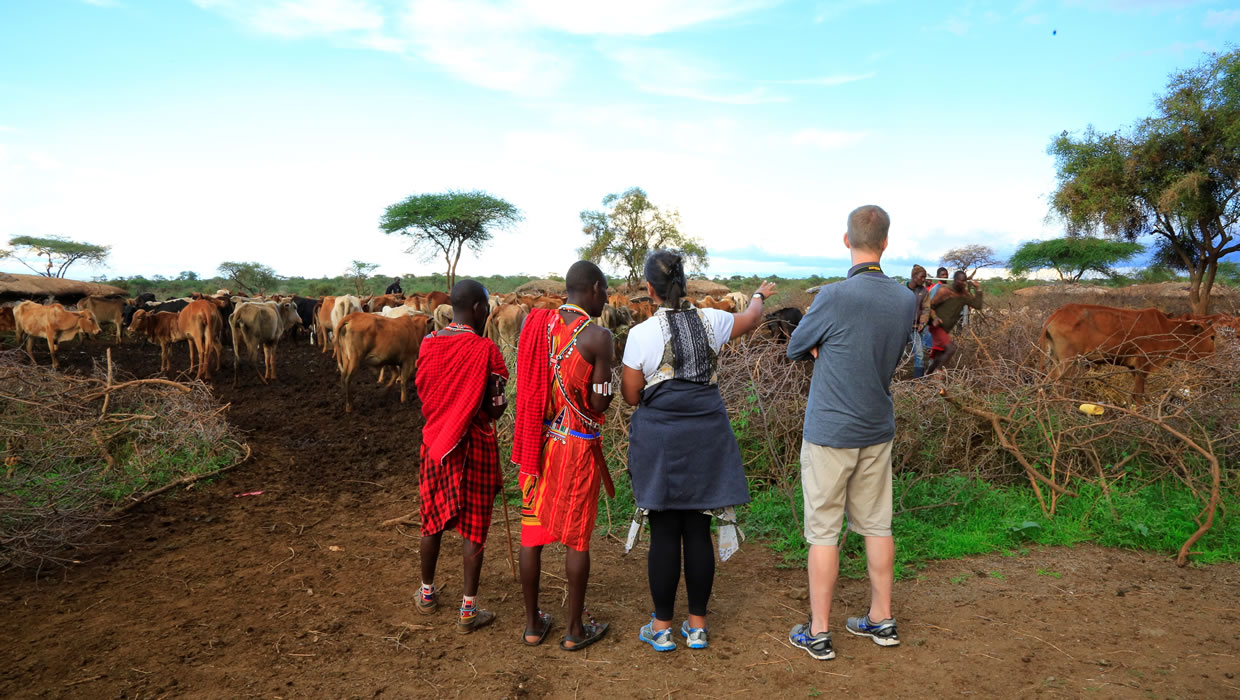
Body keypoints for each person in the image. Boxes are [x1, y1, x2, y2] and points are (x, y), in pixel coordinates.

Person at [620, 250, 776, 652]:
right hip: (707, 437)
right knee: (699, 530)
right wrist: (758, 295)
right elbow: (753, 317)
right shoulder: (715, 320)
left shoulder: (641, 335)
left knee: (665, 533)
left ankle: (661, 627)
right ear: (685, 284)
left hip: (662, 443)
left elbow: (632, 395)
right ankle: (698, 626)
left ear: (650, 289)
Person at [785, 205, 917, 661]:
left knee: (824, 530)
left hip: (829, 432)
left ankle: (819, 632)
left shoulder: (833, 296)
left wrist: (823, 344)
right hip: (876, 427)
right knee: (877, 525)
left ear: (847, 241)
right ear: (885, 242)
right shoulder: (905, 299)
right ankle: (882, 619)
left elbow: (794, 346)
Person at [512, 260, 615, 651]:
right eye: (605, 289)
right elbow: (598, 403)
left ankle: (533, 625)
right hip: (575, 447)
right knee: (577, 539)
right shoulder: (598, 337)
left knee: (531, 535)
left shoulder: (535, 325)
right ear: (592, 288)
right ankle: (574, 629)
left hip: (537, 442)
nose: (607, 297)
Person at [413, 279, 509, 633]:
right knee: (473, 528)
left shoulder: (428, 344)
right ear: (481, 309)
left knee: (431, 519)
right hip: (475, 444)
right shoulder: (485, 350)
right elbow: (496, 407)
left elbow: (423, 390)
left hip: (435, 443)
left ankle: (426, 595)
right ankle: (468, 611)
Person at [924, 270, 983, 375]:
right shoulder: (944, 291)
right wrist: (935, 317)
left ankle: (925, 379)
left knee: (938, 357)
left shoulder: (964, 294)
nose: (963, 283)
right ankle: (937, 377)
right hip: (936, 326)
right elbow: (930, 306)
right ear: (955, 280)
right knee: (951, 348)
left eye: (965, 281)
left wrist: (978, 289)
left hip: (945, 329)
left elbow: (977, 305)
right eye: (961, 281)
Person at [907, 265, 932, 378]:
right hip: (901, 328)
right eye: (922, 277)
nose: (924, 279)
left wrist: (922, 322)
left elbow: (926, 309)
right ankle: (892, 381)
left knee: (919, 355)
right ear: (914, 276)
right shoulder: (902, 289)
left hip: (915, 328)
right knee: (898, 354)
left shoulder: (924, 291)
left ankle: (918, 383)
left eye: (924, 277)